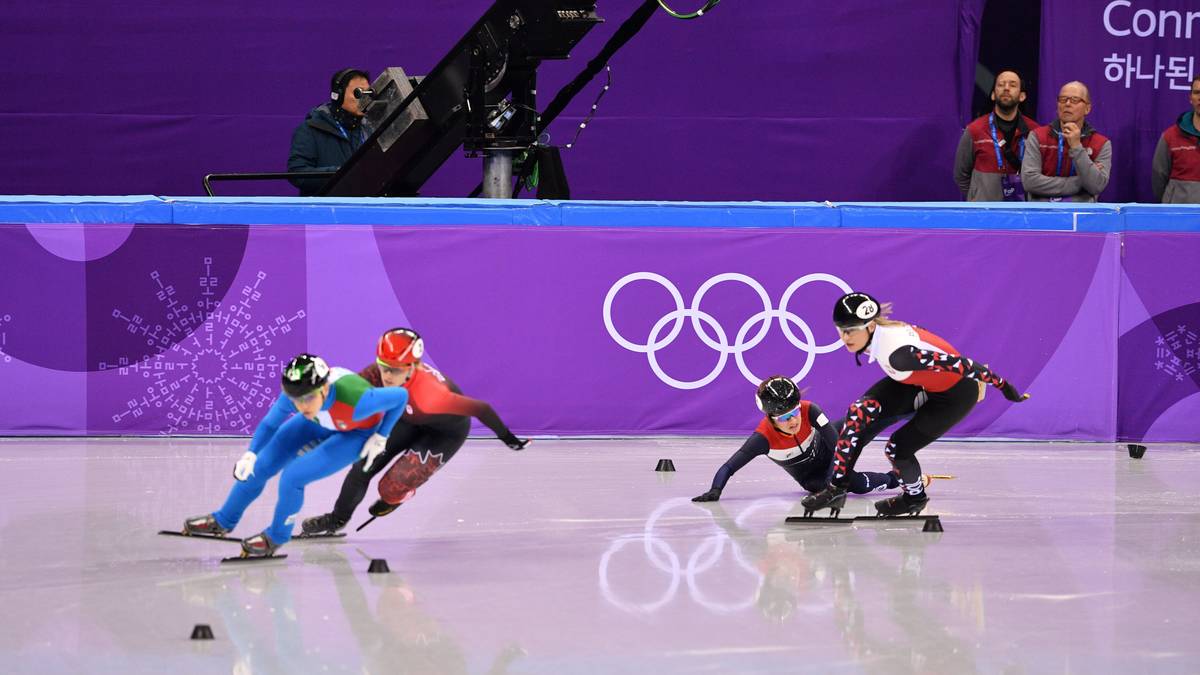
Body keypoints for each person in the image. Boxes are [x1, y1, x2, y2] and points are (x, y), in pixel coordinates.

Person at [802, 293, 1030, 517]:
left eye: (851, 330)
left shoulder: (898, 354)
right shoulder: (878, 337)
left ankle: (914, 498)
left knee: (897, 449)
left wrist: (1004, 386)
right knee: (858, 413)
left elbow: (962, 365)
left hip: (956, 395)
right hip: (920, 383)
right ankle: (836, 489)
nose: (845, 337)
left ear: (870, 326)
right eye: (841, 330)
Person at [301, 328, 529, 535]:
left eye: (395, 370)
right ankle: (337, 519)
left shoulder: (432, 395)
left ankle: (399, 495)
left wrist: (508, 439)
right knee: (363, 465)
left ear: (412, 367)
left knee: (390, 488)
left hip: (444, 434)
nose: (387, 376)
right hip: (408, 419)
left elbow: (481, 408)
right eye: (383, 366)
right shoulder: (377, 372)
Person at [181, 353, 409, 558]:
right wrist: (250, 454)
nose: (300, 405)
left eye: (307, 398)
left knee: (293, 477)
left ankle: (277, 536)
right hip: (320, 421)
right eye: (295, 399)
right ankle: (223, 520)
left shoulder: (358, 399)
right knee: (260, 466)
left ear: (325, 388)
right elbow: (270, 424)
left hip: (355, 433)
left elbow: (400, 396)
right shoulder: (298, 396)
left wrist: (382, 436)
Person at [691, 376, 906, 504]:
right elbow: (729, 467)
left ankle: (912, 410)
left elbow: (837, 445)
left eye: (794, 412)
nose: (793, 420)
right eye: (783, 417)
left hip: (829, 446)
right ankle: (896, 479)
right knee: (855, 484)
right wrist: (715, 490)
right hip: (814, 476)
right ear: (770, 418)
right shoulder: (762, 439)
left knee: (859, 423)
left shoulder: (810, 410)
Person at [954, 70, 1039, 202]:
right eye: (1001, 84)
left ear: (1022, 96)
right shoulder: (974, 130)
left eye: (1012, 85)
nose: (1006, 88)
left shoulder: (1035, 132)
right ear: (993, 95)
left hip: (1022, 214)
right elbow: (961, 175)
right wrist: (977, 197)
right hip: (984, 215)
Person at [287, 68, 373, 196]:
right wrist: (340, 173)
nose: (365, 99)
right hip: (326, 211)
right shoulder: (310, 130)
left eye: (369, 93)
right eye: (358, 93)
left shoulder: (372, 128)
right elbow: (297, 173)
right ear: (338, 95)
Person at [1020, 81, 1111, 202]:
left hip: (1080, 216)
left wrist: (1077, 147)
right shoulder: (1037, 136)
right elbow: (1029, 182)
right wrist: (1081, 182)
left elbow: (1096, 186)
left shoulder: (1101, 144)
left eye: (1074, 100)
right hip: (1041, 215)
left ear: (1087, 108)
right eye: (1063, 99)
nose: (1067, 104)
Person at [1152, 76, 1200, 203]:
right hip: (1176, 215)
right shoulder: (1170, 136)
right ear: (1190, 98)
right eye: (1197, 92)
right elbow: (1159, 179)